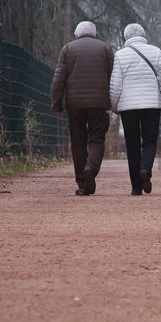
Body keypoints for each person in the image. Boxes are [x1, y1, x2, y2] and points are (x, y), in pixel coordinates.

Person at [50, 21, 114, 196]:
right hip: (99, 104)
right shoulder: (105, 49)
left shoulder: (68, 49)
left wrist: (57, 104)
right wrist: (113, 102)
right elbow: (113, 77)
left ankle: (82, 183)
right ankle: (91, 168)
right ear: (95, 34)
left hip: (75, 104)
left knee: (78, 142)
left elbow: (58, 79)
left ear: (76, 34)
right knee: (97, 138)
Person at [109, 22, 161, 196]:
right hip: (151, 104)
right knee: (150, 141)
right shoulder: (156, 51)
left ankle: (136, 187)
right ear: (143, 35)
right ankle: (145, 170)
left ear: (126, 38)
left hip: (128, 107)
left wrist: (114, 106)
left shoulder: (120, 55)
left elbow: (115, 84)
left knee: (132, 145)